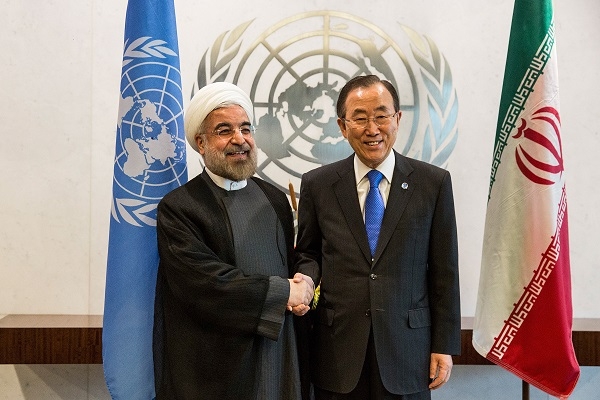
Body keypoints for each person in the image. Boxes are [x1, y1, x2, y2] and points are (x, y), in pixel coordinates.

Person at [293, 75, 461, 400]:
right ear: (343, 126)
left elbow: (445, 271)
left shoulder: (433, 183)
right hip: (337, 353)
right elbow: (308, 253)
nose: (372, 129)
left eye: (381, 115)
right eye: (360, 118)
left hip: (409, 352)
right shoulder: (318, 184)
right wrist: (307, 281)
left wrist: (444, 345)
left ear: (397, 119)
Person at [153, 82, 314, 400]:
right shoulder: (180, 207)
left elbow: (293, 260)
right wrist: (284, 292)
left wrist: (305, 281)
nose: (239, 139)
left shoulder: (274, 198)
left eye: (245, 128)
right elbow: (206, 284)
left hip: (280, 355)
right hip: (217, 368)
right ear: (201, 143)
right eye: (224, 130)